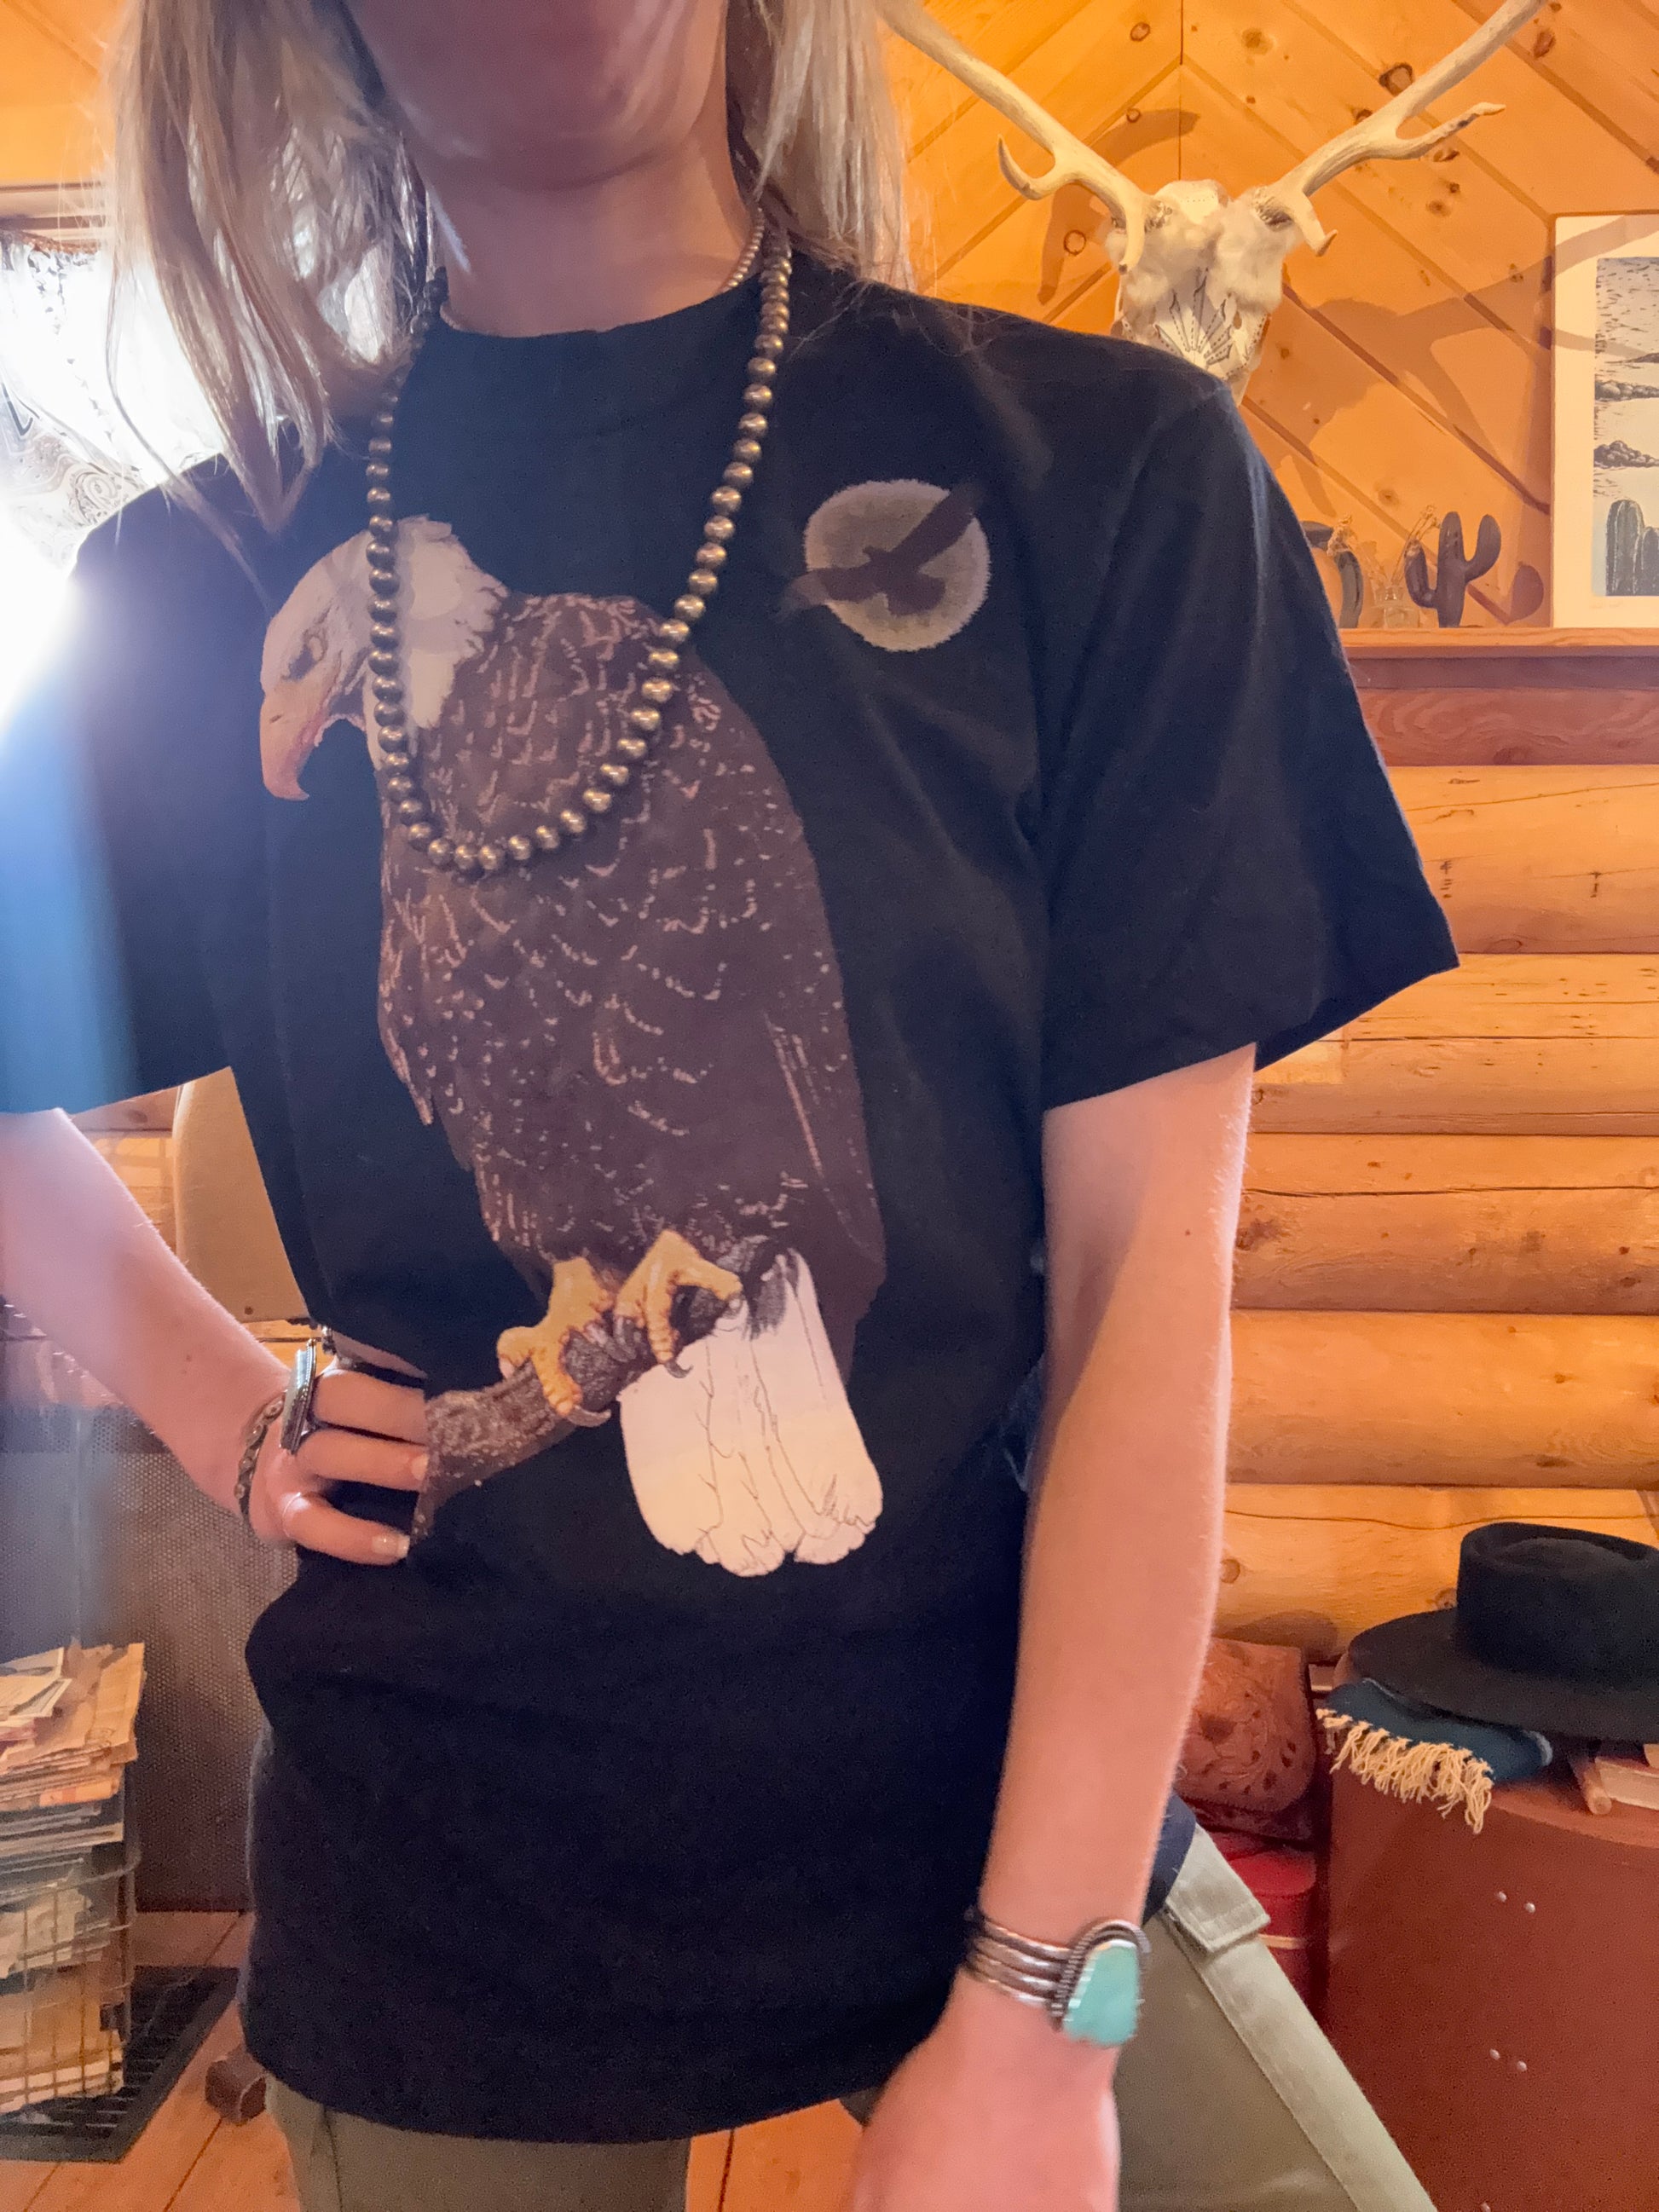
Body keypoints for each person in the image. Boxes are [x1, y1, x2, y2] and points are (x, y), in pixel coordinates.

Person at [0, 3, 1460, 2206]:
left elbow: (1147, 1296)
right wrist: (230, 1410)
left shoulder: (1102, 477)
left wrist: (1042, 2002)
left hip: (993, 1784)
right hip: (454, 1846)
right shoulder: (199, 583)